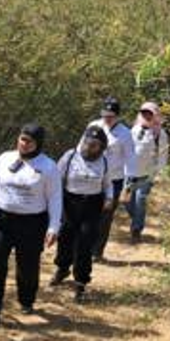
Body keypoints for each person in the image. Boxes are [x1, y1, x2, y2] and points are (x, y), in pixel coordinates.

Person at [0, 124, 62, 328]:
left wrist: (53, 228)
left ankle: (26, 299)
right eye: (22, 139)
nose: (24, 144)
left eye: (29, 141)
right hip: (1, 220)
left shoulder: (49, 167)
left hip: (32, 224)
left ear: (38, 143)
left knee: (27, 266)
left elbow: (55, 199)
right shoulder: (5, 158)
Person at [51, 124, 113, 301]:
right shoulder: (70, 156)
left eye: (95, 145)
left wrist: (109, 199)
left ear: (101, 147)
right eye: (88, 143)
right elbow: (55, 178)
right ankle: (62, 268)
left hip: (93, 205)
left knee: (85, 243)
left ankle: (81, 282)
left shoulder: (104, 161)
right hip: (70, 202)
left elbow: (107, 184)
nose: (90, 147)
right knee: (65, 238)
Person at [87, 97, 134, 260]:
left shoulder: (125, 133)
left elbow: (130, 159)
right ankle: (84, 246)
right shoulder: (94, 126)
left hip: (114, 180)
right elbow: (82, 148)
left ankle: (97, 251)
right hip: (93, 177)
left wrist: (129, 183)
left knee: (105, 215)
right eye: (105, 114)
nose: (107, 118)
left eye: (111, 115)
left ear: (118, 116)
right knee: (89, 213)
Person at [124, 102, 169, 244]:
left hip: (147, 174)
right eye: (144, 113)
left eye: (150, 113)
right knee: (127, 201)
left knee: (140, 200)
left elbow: (162, 155)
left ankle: (136, 230)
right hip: (129, 172)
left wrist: (159, 173)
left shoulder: (160, 134)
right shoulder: (134, 130)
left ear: (155, 115)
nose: (146, 116)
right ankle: (137, 218)